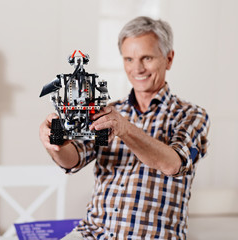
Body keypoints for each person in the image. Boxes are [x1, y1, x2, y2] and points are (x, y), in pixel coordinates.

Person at [39, 16, 210, 239]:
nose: (137, 68)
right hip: (93, 233)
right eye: (128, 59)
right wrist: (55, 143)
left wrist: (125, 129)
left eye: (146, 58)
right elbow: (73, 160)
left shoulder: (191, 115)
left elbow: (172, 164)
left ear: (168, 59)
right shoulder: (108, 112)